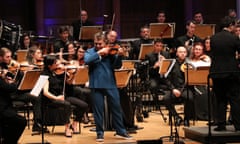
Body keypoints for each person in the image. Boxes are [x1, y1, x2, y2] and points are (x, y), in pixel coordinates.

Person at [84, 32, 132, 142]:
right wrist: (100, 53)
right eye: (96, 43)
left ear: (105, 43)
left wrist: (119, 56)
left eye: (100, 44)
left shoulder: (111, 52)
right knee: (98, 110)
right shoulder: (90, 52)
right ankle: (100, 133)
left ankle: (121, 131)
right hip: (96, 84)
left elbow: (117, 66)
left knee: (116, 108)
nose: (98, 46)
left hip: (110, 83)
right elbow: (87, 61)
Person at [210, 16, 240, 131]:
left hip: (217, 72)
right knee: (234, 99)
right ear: (231, 25)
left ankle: (221, 125)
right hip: (231, 72)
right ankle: (238, 125)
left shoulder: (213, 38)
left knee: (220, 99)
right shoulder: (234, 38)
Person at [164, 46, 196, 126]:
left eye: (184, 52)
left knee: (190, 98)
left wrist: (181, 91)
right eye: (180, 52)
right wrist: (173, 89)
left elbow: (191, 78)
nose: (182, 54)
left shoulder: (190, 63)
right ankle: (177, 117)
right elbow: (166, 78)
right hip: (174, 88)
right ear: (177, 53)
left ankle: (186, 119)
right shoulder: (172, 63)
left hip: (185, 88)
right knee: (166, 99)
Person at [0, 48, 27, 144]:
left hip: (6, 103)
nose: (10, 59)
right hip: (2, 106)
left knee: (10, 125)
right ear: (0, 57)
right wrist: (12, 84)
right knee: (21, 122)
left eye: (10, 56)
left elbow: (12, 78)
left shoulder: (4, 67)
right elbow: (8, 88)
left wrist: (19, 71)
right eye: (7, 57)